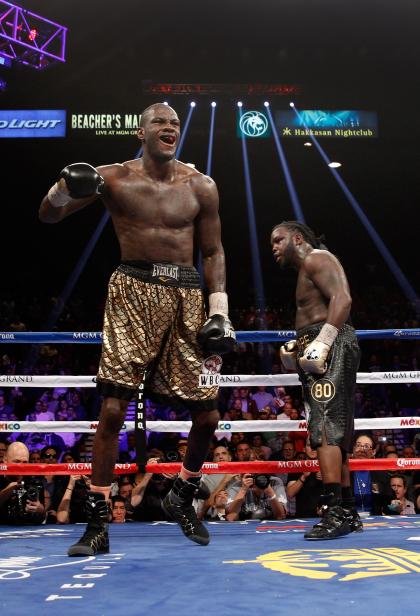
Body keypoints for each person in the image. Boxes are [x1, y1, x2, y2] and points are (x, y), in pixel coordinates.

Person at [40, 103, 235, 555]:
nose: (169, 128)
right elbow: (49, 217)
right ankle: (98, 521)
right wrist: (61, 189)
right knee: (112, 411)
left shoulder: (200, 185)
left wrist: (220, 308)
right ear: (140, 132)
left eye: (175, 124)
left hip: (188, 294)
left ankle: (182, 494)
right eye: (160, 123)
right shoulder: (113, 178)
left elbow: (214, 251)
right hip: (132, 288)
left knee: (208, 415)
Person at [271, 220, 361, 539]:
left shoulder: (317, 258)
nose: (274, 247)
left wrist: (322, 342)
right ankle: (348, 509)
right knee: (334, 432)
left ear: (298, 238)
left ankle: (335, 512)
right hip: (322, 343)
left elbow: (342, 300)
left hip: (330, 344)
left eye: (279, 240)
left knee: (324, 429)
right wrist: (300, 346)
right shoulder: (307, 269)